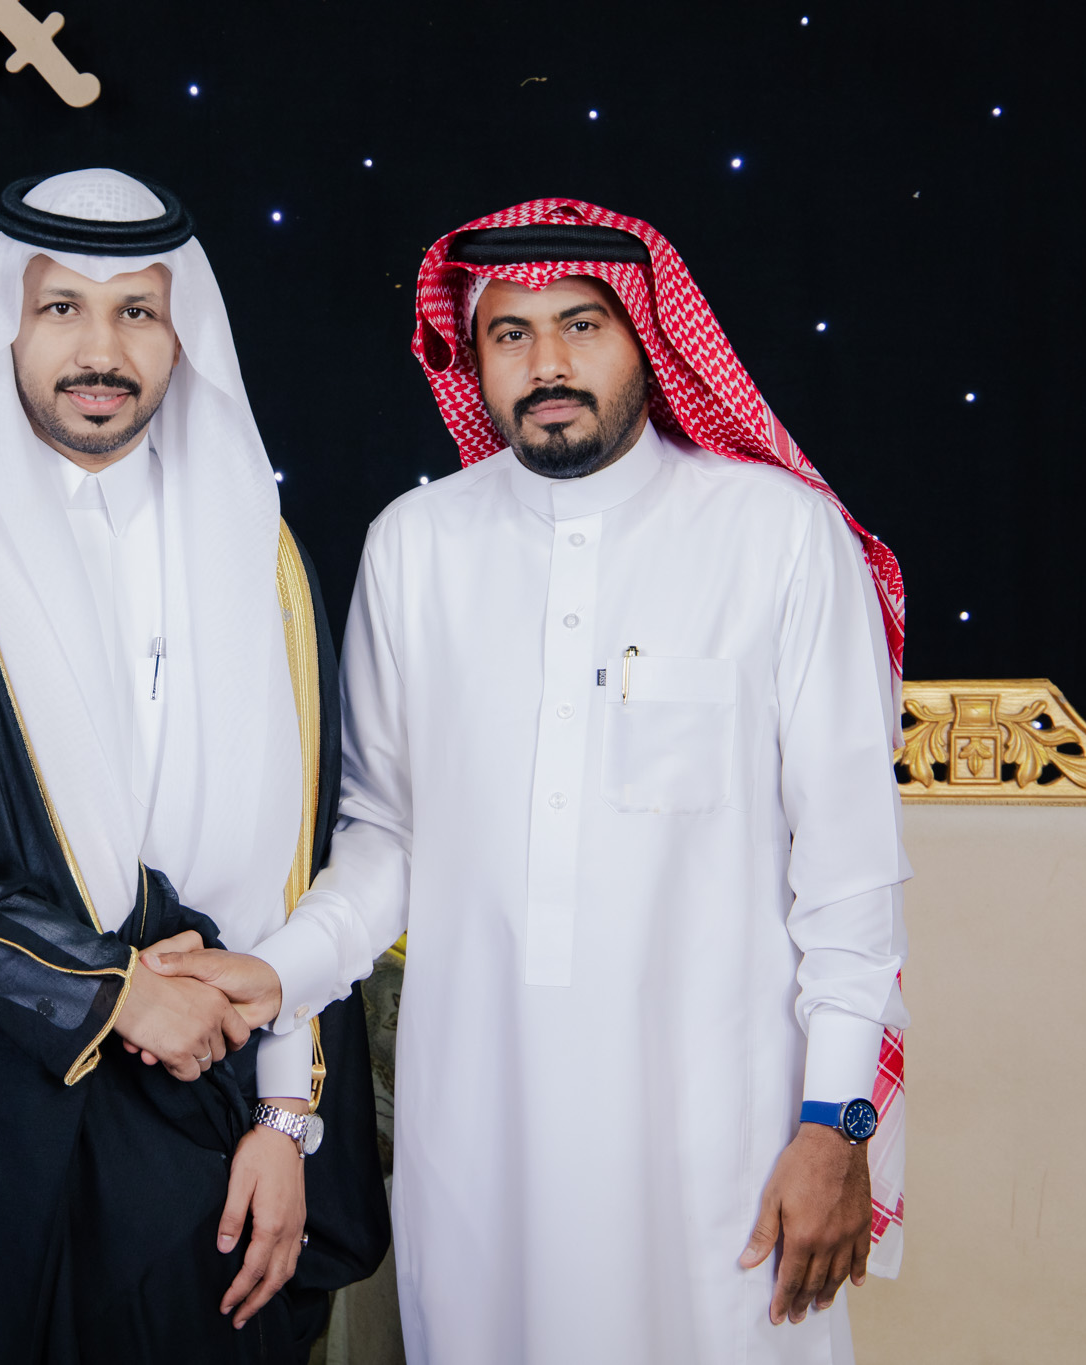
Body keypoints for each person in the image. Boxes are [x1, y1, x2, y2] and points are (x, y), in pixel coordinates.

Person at [153, 198, 911, 1363]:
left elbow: (850, 868)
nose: (545, 363)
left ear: (646, 337)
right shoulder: (416, 546)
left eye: (579, 325)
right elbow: (386, 837)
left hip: (725, 1134)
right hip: (481, 1133)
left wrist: (835, 1123)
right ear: (471, 358)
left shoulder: (776, 536)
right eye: (508, 333)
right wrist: (276, 969)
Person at [0, 169, 388, 1365]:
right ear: (10, 322)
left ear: (180, 335)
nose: (100, 351)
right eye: (62, 309)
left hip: (212, 1112)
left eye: (136, 312)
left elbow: (300, 864)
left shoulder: (260, 557)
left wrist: (284, 1117)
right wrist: (107, 993)